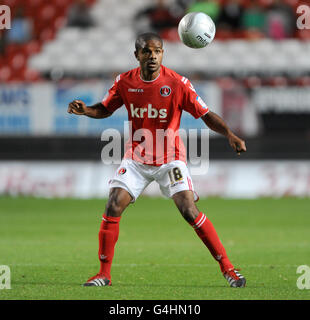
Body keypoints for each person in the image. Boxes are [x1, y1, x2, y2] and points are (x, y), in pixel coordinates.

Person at [67, 32, 247, 288]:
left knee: (188, 210)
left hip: (170, 159)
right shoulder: (124, 82)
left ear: (163, 53)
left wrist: (229, 134)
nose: (152, 56)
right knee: (113, 204)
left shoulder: (178, 83)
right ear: (137, 55)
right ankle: (103, 274)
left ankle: (228, 268)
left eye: (158, 51)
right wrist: (86, 110)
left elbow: (205, 114)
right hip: (136, 158)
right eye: (147, 51)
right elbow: (105, 109)